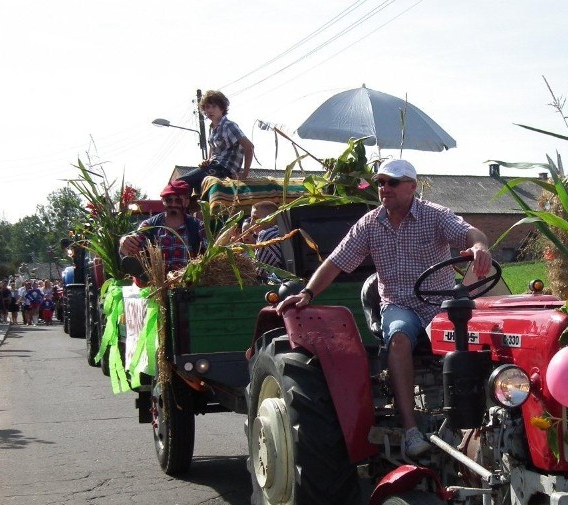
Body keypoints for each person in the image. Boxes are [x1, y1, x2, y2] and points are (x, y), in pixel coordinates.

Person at [276, 159, 492, 457]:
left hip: (437, 304)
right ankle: (411, 430)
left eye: (392, 182)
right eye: (380, 183)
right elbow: (335, 262)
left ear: (412, 186)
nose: (384, 188)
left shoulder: (435, 216)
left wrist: (480, 248)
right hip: (398, 304)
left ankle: (475, 421)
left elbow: (472, 234)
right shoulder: (369, 224)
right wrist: (308, 293)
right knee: (400, 336)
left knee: (474, 338)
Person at [119, 180, 208, 273]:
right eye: (169, 200)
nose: (173, 204)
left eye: (178, 200)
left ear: (186, 202)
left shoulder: (198, 227)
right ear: (163, 201)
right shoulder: (149, 226)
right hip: (157, 285)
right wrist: (125, 243)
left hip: (191, 285)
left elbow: (209, 256)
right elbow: (132, 250)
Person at [178, 90, 254, 195]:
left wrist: (244, 174)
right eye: (207, 107)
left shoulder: (229, 126)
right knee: (195, 189)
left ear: (222, 108)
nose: (210, 111)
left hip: (224, 169)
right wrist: (206, 162)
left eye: (214, 107)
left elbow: (249, 147)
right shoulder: (212, 129)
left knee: (181, 182)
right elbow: (212, 156)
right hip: (213, 166)